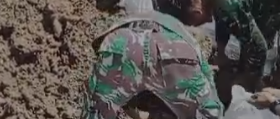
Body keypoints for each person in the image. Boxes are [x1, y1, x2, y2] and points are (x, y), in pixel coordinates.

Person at [81, 11, 223, 119]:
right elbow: (211, 102)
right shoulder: (194, 48)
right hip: (173, 54)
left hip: (119, 43)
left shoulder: (172, 25)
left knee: (97, 111)